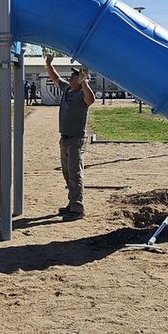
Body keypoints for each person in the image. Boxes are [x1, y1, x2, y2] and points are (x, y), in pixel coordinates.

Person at [45, 55, 95, 220]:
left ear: (79, 80)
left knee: (75, 173)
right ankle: (72, 202)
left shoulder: (82, 93)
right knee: (67, 173)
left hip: (76, 139)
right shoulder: (67, 88)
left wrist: (84, 82)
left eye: (74, 76)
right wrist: (48, 64)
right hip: (64, 138)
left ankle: (78, 208)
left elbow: (91, 99)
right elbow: (55, 77)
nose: (70, 77)